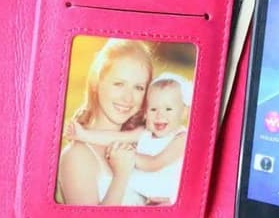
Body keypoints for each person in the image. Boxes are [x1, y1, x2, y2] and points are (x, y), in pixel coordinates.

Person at [66, 72, 192, 205]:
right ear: (145, 113)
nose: (160, 115)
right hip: (141, 196)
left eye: (169, 109)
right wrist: (84, 135)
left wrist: (129, 155)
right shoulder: (145, 132)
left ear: (184, 112)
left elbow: (154, 163)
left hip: (164, 198)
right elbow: (116, 137)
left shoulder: (182, 138)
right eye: (153, 109)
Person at [56, 38, 153, 206]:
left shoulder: (141, 144)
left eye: (138, 87)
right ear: (96, 82)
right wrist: (121, 176)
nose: (128, 98)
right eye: (119, 84)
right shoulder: (77, 156)